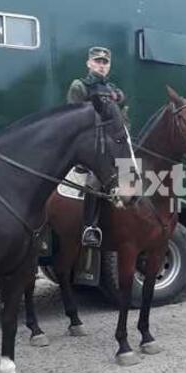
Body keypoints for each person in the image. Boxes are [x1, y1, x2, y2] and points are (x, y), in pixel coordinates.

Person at [67, 46, 127, 248]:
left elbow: (122, 120)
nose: (101, 66)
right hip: (89, 146)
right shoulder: (80, 86)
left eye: (105, 62)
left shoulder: (113, 90)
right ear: (89, 63)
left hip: (111, 147)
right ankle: (88, 228)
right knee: (95, 181)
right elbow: (74, 119)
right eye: (97, 61)